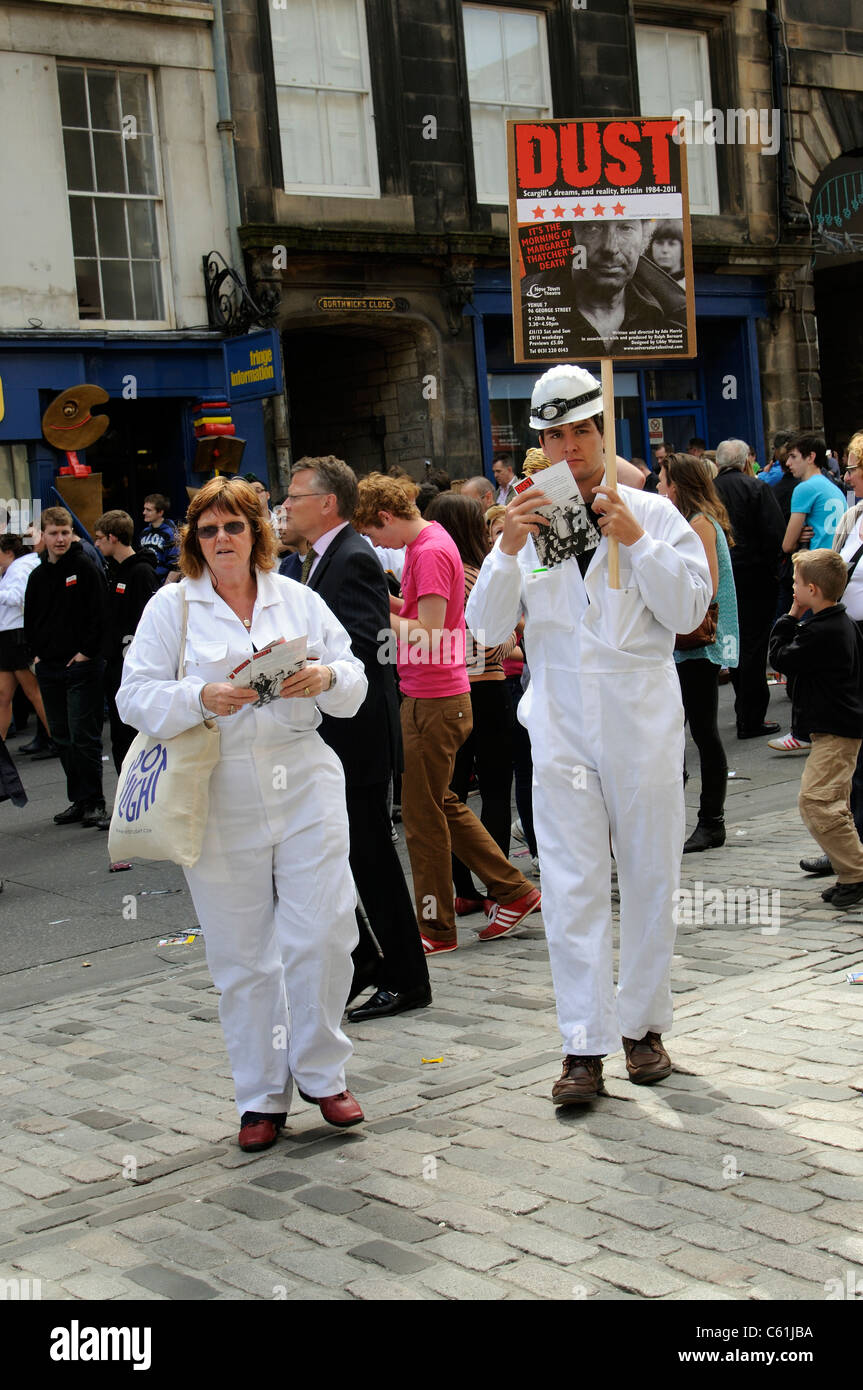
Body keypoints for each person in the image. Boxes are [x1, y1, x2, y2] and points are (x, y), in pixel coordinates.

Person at [465, 363, 712, 1105]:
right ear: (537, 442)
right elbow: (481, 632)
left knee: (648, 875)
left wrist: (636, 539)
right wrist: (505, 552)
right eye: (553, 435)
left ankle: (642, 1026)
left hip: (640, 716)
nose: (568, 447)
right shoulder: (524, 522)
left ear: (603, 431)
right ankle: (582, 1044)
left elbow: (686, 610)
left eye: (580, 430)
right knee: (570, 884)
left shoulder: (652, 512)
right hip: (562, 722)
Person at [117, 477, 368, 1149]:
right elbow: (133, 696)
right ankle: (260, 1095)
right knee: (243, 955)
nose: (222, 538)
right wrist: (201, 695)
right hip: (217, 785)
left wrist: (326, 679)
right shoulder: (174, 607)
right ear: (193, 542)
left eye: (234, 526)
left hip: (303, 774)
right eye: (208, 530)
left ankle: (322, 1072)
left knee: (324, 928)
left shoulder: (298, 598)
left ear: (257, 532)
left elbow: (355, 678)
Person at [353, 472, 540, 954]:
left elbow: (429, 634)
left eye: (374, 533)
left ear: (386, 517)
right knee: (440, 806)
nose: (377, 544)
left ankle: (436, 928)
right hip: (432, 696)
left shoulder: (431, 550)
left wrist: (379, 616)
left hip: (435, 698)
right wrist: (384, 600)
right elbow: (420, 616)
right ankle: (514, 891)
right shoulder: (427, 546)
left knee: (423, 818)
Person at [281, 455, 431, 1022]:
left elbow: (364, 653)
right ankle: (366, 959)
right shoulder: (315, 561)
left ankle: (409, 978)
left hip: (357, 737)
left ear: (327, 504)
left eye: (295, 496)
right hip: (334, 738)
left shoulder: (352, 559)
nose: (286, 506)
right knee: (340, 859)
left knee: (372, 860)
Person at [424, 491, 521, 912]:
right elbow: (492, 644)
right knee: (497, 789)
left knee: (452, 792)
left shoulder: (435, 574)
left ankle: (462, 888)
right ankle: (498, 886)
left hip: (449, 692)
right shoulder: (476, 576)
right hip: (486, 688)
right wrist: (513, 635)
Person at [769, 549, 863, 911]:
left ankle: (855, 870)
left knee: (817, 801)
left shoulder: (823, 629)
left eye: (795, 584)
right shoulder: (842, 622)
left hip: (836, 729)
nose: (792, 589)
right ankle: (849, 872)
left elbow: (780, 657)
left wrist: (790, 616)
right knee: (832, 802)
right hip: (838, 726)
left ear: (812, 590)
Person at [659, 453, 739, 851]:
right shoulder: (696, 522)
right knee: (688, 732)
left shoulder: (700, 524)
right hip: (693, 644)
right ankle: (699, 819)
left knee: (701, 732)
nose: (659, 487)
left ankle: (711, 820)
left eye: (663, 481)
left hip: (698, 642)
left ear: (678, 485)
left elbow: (703, 585)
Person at [23, 507, 108, 826]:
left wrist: (86, 653)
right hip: (49, 667)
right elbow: (30, 618)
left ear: (72, 533)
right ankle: (80, 799)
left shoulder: (84, 566)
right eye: (53, 533)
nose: (60, 539)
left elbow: (100, 614)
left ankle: (95, 801)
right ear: (42, 536)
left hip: (81, 667)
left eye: (65, 532)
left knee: (83, 735)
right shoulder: (38, 575)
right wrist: (36, 654)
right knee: (60, 735)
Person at [713, 439, 785, 740]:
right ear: (745, 462)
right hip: (754, 576)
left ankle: (745, 708)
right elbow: (775, 535)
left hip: (723, 576)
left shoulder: (710, 490)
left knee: (733, 642)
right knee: (754, 645)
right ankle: (751, 716)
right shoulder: (756, 489)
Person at [92, 510, 160, 778]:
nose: (96, 544)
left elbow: (147, 624)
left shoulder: (141, 572)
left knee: (131, 736)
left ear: (112, 537)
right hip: (114, 666)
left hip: (131, 669)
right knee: (119, 739)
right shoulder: (115, 571)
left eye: (99, 538)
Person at [0, 535, 56, 758]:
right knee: (4, 693)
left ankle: (57, 739)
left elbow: (19, 597)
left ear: (8, 552)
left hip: (16, 634)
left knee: (34, 692)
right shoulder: (13, 569)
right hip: (9, 634)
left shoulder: (20, 568)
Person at [781, 434, 846, 555]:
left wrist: (797, 539)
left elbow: (787, 545)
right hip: (837, 561)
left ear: (811, 457)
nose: (788, 463)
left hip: (817, 563)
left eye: (793, 456)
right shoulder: (834, 488)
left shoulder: (804, 489)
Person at [139, 494, 180, 583]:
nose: (144, 512)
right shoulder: (144, 533)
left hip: (162, 585)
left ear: (160, 512)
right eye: (144, 509)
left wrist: (164, 590)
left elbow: (176, 565)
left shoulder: (171, 533)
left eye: (149, 510)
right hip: (147, 583)